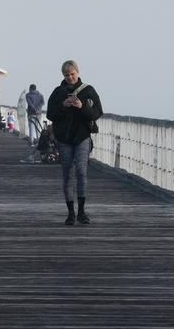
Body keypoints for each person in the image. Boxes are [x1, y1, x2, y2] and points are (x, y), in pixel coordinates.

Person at [46, 59, 103, 225]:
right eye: (67, 75)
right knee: (67, 174)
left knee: (81, 171)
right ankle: (70, 213)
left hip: (82, 136)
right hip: (64, 138)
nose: (70, 77)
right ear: (63, 75)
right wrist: (63, 105)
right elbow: (50, 114)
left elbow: (98, 112)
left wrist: (82, 106)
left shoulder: (88, 90)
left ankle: (82, 212)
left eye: (72, 74)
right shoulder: (58, 92)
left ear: (78, 72)